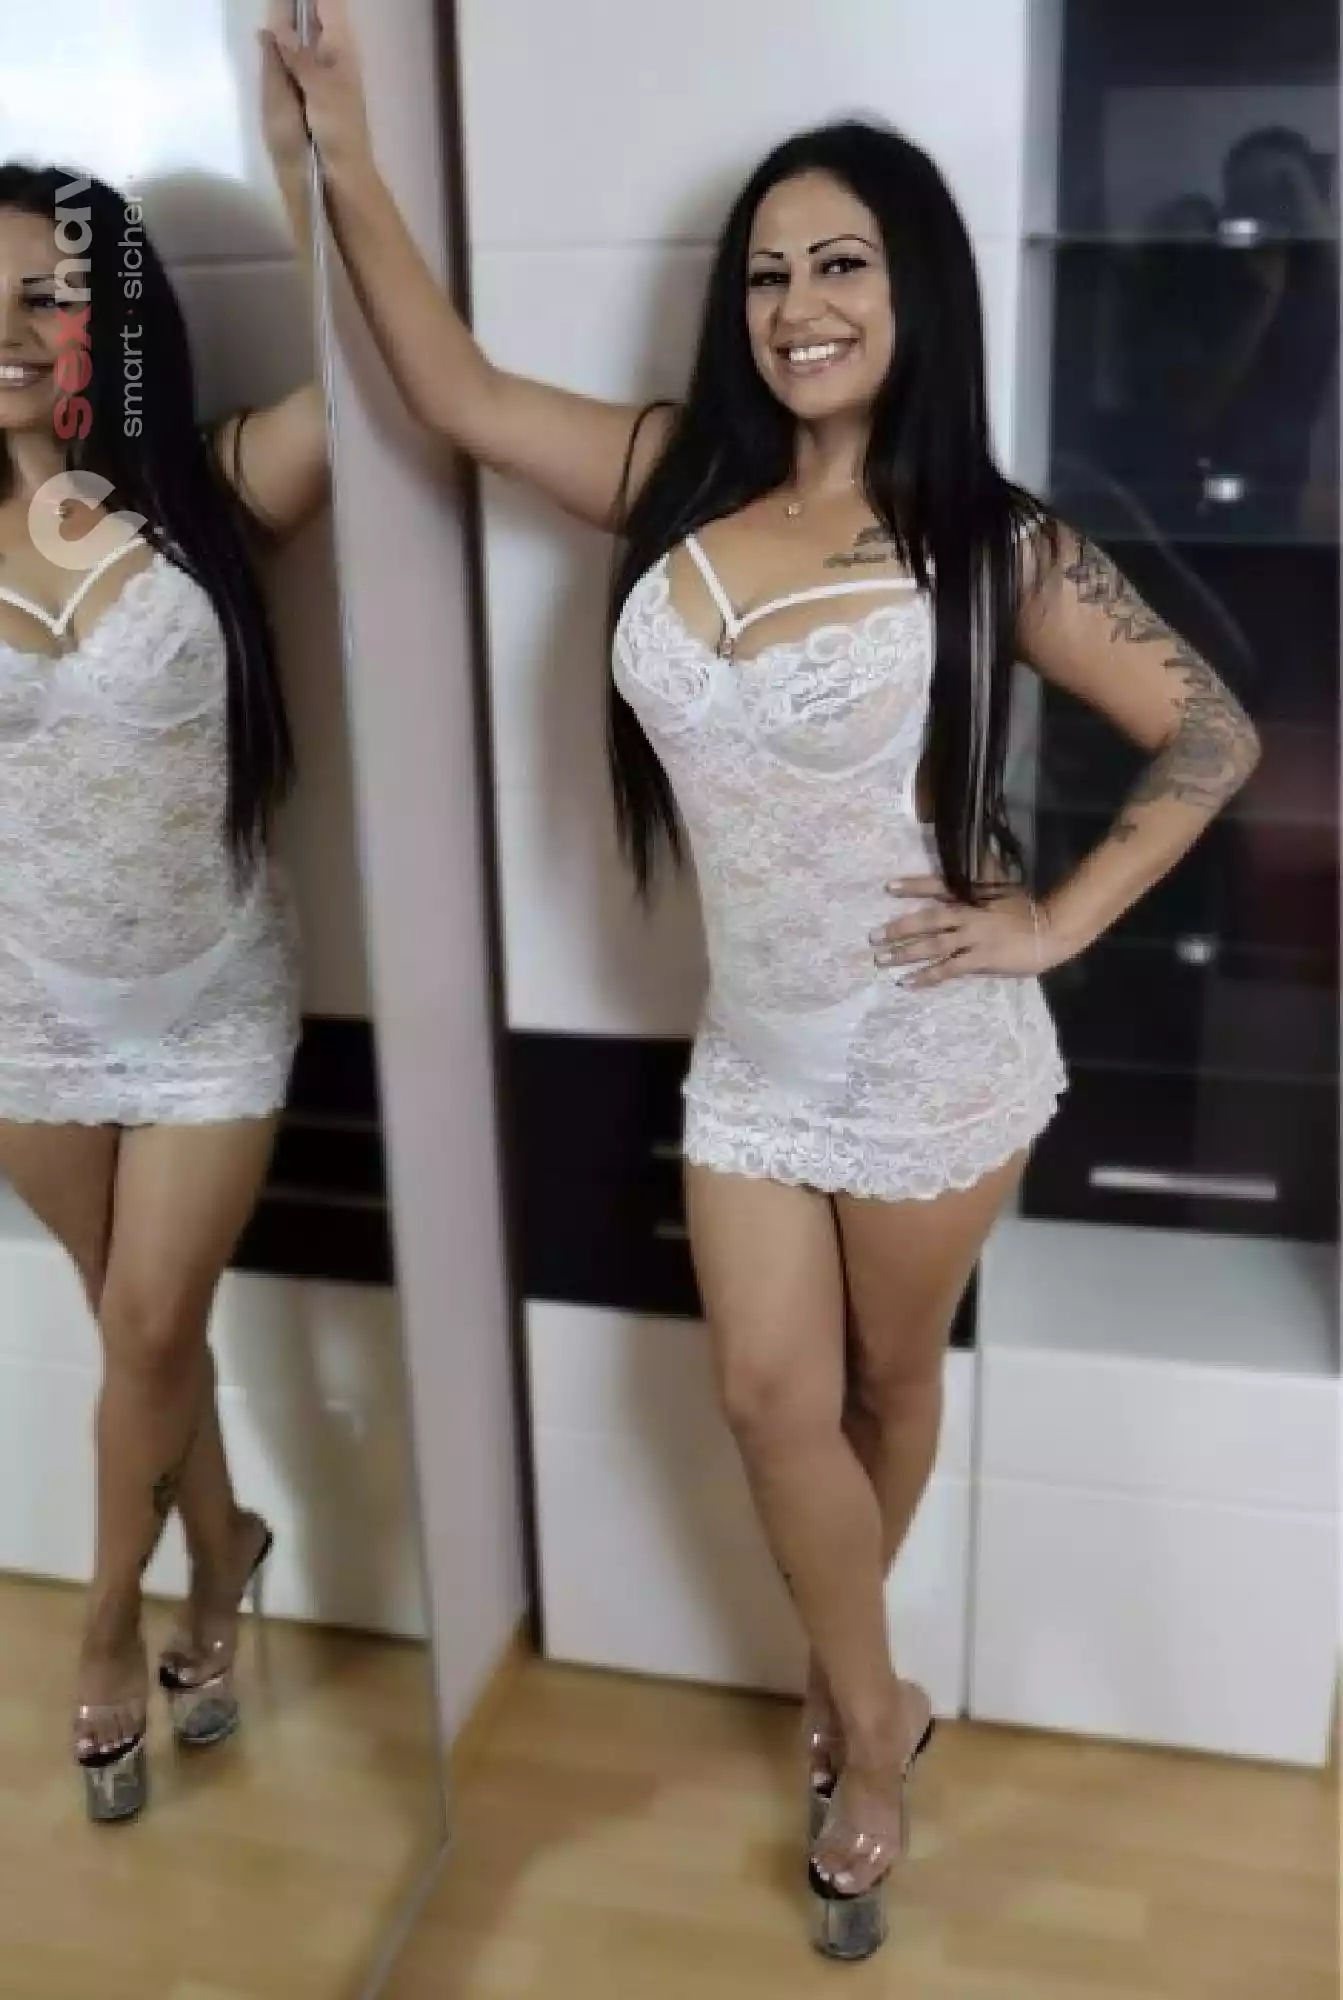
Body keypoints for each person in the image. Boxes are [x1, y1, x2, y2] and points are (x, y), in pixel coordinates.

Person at [267, 0, 1261, 1960]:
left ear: (914, 291)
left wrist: (1051, 922)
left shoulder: (989, 543)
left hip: (929, 1054)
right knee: (763, 1395)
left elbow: (1210, 729)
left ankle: (853, 1724)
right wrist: (345, 153)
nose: (798, 305)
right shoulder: (669, 474)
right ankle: (874, 1700)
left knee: (885, 1383)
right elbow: (454, 391)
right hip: (751, 1057)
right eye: (768, 272)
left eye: (841, 265)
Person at [0, 32, 329, 1826]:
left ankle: (111, 1627)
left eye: (41, 297)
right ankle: (225, 1547)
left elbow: (378, 377)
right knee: (140, 1327)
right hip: (20, 1008)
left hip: (211, 1002)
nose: (5, 329)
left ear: (108, 325)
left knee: (142, 1328)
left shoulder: (212, 492)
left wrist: (311, 166)